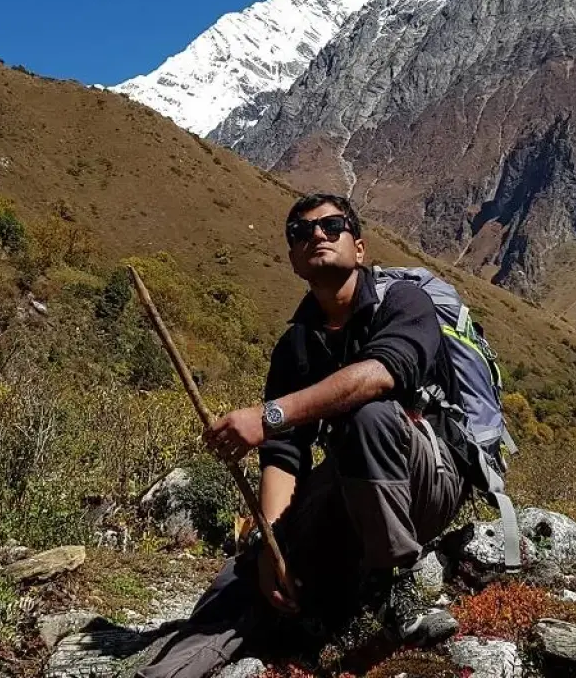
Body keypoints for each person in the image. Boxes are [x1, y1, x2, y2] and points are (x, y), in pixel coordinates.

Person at [139, 194, 465, 678]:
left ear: (359, 248)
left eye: (333, 226)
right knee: (244, 580)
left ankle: (399, 587)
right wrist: (274, 548)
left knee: (368, 415)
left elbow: (378, 375)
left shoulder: (404, 302)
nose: (316, 234)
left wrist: (268, 414)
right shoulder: (295, 345)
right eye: (301, 232)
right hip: (355, 485)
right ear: (293, 259)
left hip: (427, 482)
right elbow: (284, 454)